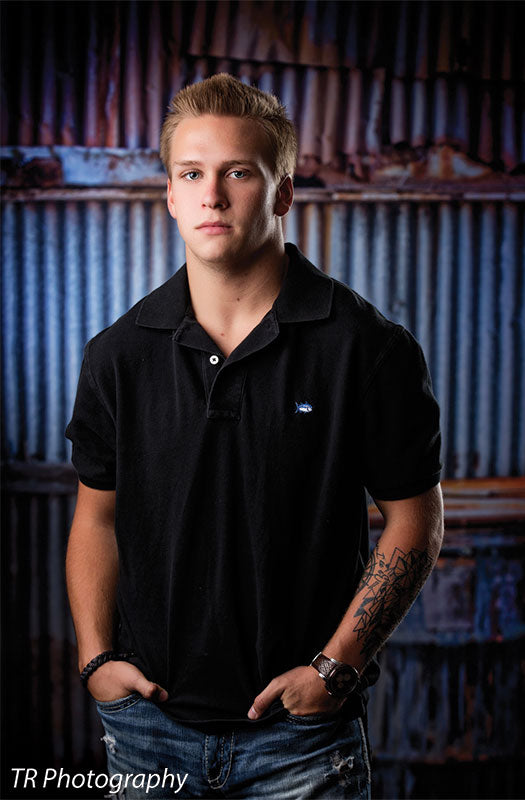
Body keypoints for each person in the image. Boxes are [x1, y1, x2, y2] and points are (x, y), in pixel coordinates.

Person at [65, 73, 443, 799]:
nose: (212, 195)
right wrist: (95, 660)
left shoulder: (367, 349)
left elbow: (415, 522)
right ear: (170, 195)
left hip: (303, 740)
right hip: (149, 734)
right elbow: (96, 517)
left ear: (282, 193)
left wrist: (336, 667)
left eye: (238, 173)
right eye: (192, 174)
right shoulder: (118, 355)